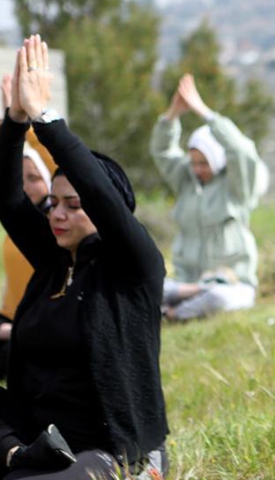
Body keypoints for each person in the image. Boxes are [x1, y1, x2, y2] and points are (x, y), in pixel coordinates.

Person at [0, 35, 169, 479]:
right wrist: (14, 122)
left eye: (74, 205)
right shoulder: (54, 262)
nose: (57, 214)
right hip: (37, 441)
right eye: (54, 202)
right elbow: (9, 199)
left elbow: (100, 192)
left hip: (105, 451)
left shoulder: (132, 267)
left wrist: (45, 118)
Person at [150, 73, 269, 322]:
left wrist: (204, 112)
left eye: (204, 163)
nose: (197, 169)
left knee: (220, 298)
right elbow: (162, 151)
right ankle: (188, 299)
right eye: (193, 162)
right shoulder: (186, 180)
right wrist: (173, 114)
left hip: (231, 284)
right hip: (185, 283)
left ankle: (172, 314)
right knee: (148, 287)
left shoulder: (238, 186)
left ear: (217, 159)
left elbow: (241, 150)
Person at [0, 74, 57, 379]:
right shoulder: (15, 224)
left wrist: (34, 113)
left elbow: (54, 159)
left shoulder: (56, 229)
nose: (25, 187)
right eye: (20, 180)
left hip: (33, 333)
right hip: (8, 320)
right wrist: (11, 118)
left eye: (33, 179)